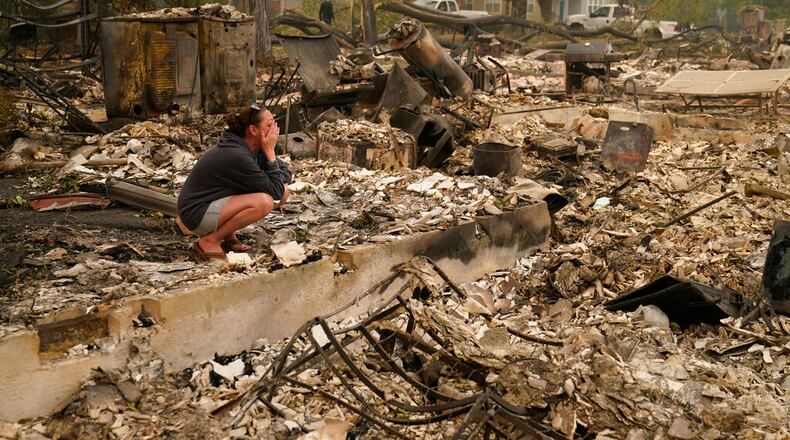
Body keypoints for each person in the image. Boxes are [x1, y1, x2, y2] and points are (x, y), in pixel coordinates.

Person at [177, 104, 292, 260]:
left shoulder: (253, 149)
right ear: (253, 130)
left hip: (213, 204)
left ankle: (228, 236)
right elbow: (275, 190)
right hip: (196, 212)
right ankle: (211, 240)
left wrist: (270, 163)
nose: (275, 130)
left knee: (282, 192)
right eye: (270, 125)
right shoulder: (236, 154)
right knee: (264, 201)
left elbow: (285, 174)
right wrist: (271, 154)